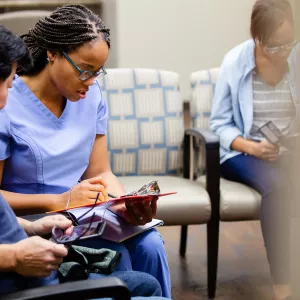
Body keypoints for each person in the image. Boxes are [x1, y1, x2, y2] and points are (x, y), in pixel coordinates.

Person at [0, 4, 171, 298]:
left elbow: (101, 172)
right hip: (35, 224)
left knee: (151, 244)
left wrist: (125, 205)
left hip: (85, 217)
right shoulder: (6, 100)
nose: (91, 82)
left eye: (98, 72)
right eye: (84, 70)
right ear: (52, 52)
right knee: (120, 259)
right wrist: (58, 200)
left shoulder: (91, 96)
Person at [210, 0, 299, 299]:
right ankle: (283, 287)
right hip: (243, 153)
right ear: (257, 38)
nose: (283, 52)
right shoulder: (235, 62)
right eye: (275, 46)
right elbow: (219, 125)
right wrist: (252, 147)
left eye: (289, 43)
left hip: (288, 152)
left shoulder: (297, 58)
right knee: (277, 188)